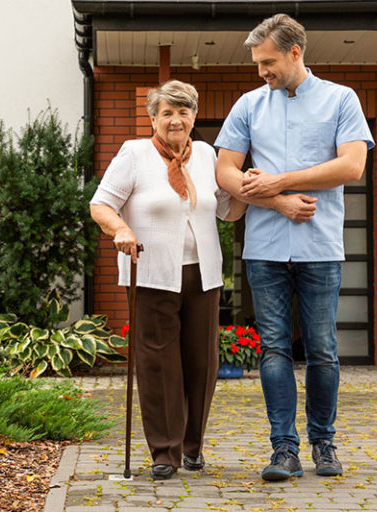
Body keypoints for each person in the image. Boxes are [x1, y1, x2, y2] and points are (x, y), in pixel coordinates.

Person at [214, 14, 374, 481]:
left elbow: (351, 167)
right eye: (258, 63)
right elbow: (226, 172)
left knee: (323, 348)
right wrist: (279, 201)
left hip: (321, 247)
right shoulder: (248, 104)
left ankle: (323, 444)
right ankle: (283, 450)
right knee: (274, 350)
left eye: (268, 62)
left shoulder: (341, 99)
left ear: (295, 52)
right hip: (263, 246)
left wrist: (278, 180)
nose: (262, 71)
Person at [90, 80, 246, 480]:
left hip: (204, 273)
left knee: (202, 362)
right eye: (167, 113)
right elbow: (101, 203)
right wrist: (120, 230)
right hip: (152, 271)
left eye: (184, 112)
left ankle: (193, 447)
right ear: (153, 118)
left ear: (194, 116)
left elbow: (227, 212)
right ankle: (165, 451)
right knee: (159, 363)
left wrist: (249, 188)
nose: (176, 120)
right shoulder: (135, 153)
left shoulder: (208, 154)